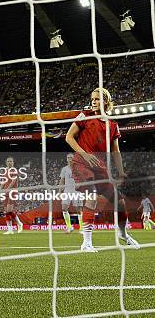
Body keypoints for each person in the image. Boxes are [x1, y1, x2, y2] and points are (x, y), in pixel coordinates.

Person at [65, 87, 139, 252]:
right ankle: (86, 243)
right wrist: (85, 155)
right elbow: (69, 137)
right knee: (91, 197)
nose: (93, 102)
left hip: (100, 167)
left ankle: (123, 235)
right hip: (81, 164)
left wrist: (121, 172)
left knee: (119, 202)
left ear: (106, 101)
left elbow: (116, 151)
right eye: (92, 99)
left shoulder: (113, 125)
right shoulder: (85, 116)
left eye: (97, 99)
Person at [59, 153, 83, 233]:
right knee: (64, 208)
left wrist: (80, 184)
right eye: (68, 157)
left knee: (78, 210)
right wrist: (60, 191)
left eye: (71, 157)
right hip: (67, 190)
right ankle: (69, 227)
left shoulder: (79, 168)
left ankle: (81, 228)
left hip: (77, 191)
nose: (70, 159)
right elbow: (62, 180)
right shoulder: (64, 169)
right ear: (67, 159)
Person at [0, 156, 23, 235]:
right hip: (5, 192)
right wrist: (0, 190)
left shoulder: (14, 170)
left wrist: (7, 189)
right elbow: (3, 181)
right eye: (8, 161)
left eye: (11, 161)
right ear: (6, 162)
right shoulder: (5, 170)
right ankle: (10, 230)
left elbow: (13, 181)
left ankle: (19, 224)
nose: (9, 162)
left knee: (9, 210)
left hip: (12, 192)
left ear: (13, 163)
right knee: (7, 211)